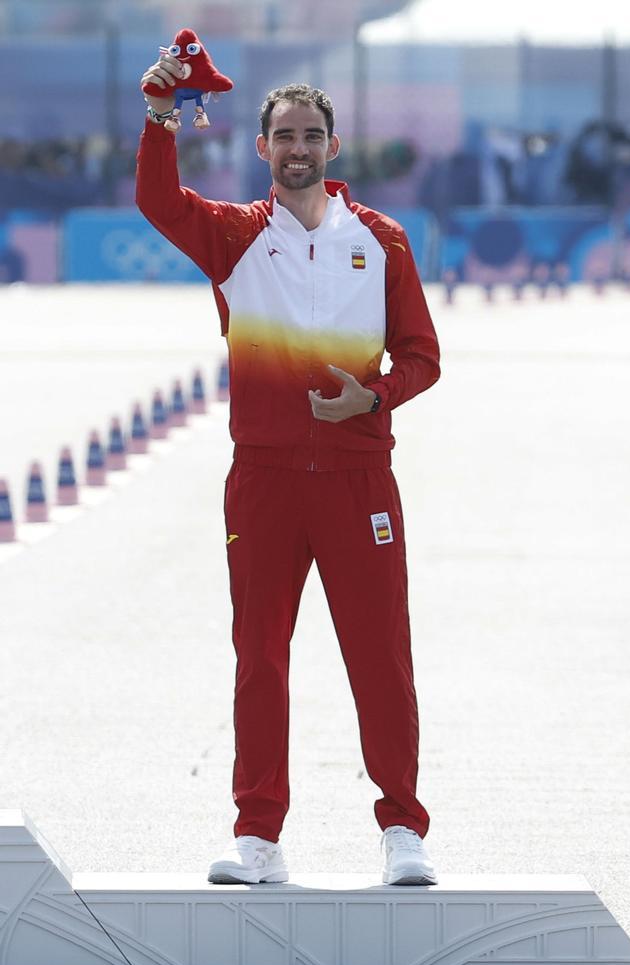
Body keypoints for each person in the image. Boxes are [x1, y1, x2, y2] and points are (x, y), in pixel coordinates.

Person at [136, 52, 441, 886]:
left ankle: (403, 831)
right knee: (260, 654)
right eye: (283, 137)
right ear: (264, 149)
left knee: (379, 653)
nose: (297, 147)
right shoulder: (236, 238)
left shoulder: (382, 242)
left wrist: (371, 400)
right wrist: (162, 113)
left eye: (311, 135)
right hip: (265, 481)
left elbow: (422, 355)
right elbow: (158, 201)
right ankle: (258, 838)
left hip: (357, 480)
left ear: (333, 147)